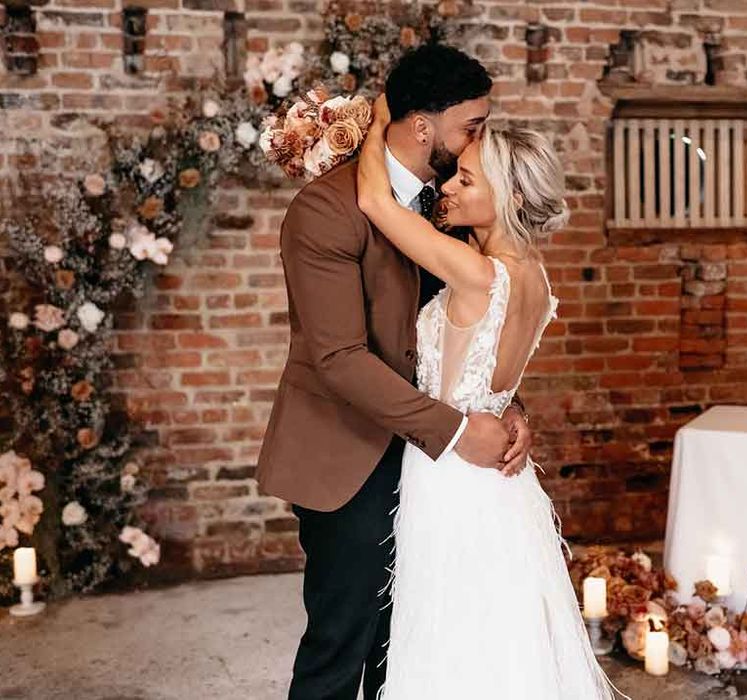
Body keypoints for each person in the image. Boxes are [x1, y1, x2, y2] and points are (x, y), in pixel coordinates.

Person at [256, 45, 532, 700]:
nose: (479, 140)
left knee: (411, 646)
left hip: (433, 467)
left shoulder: (455, 206)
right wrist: (463, 430)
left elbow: (479, 318)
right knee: (340, 643)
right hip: (348, 456)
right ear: (420, 127)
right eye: (472, 124)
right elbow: (338, 360)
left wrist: (506, 405)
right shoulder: (326, 210)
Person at [356, 92, 629, 699]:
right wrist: (515, 414)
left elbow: (374, 200)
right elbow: (497, 386)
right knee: (502, 629)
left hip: (449, 473)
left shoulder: (475, 271)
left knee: (449, 630)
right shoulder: (537, 277)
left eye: (465, 179)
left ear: (503, 196)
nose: (447, 187)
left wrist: (378, 122)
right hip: (505, 484)